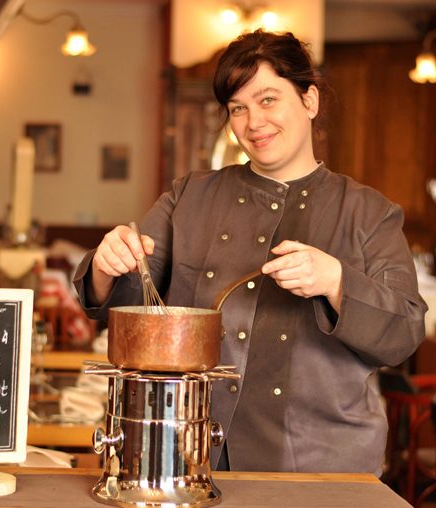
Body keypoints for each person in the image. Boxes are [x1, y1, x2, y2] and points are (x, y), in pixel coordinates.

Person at [73, 30, 428, 475]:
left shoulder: (370, 212)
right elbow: (128, 304)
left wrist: (336, 282)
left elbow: (404, 332)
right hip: (187, 453)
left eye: (267, 100)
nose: (252, 122)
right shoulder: (189, 196)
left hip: (321, 468)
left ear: (310, 100)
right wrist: (107, 264)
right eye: (237, 108)